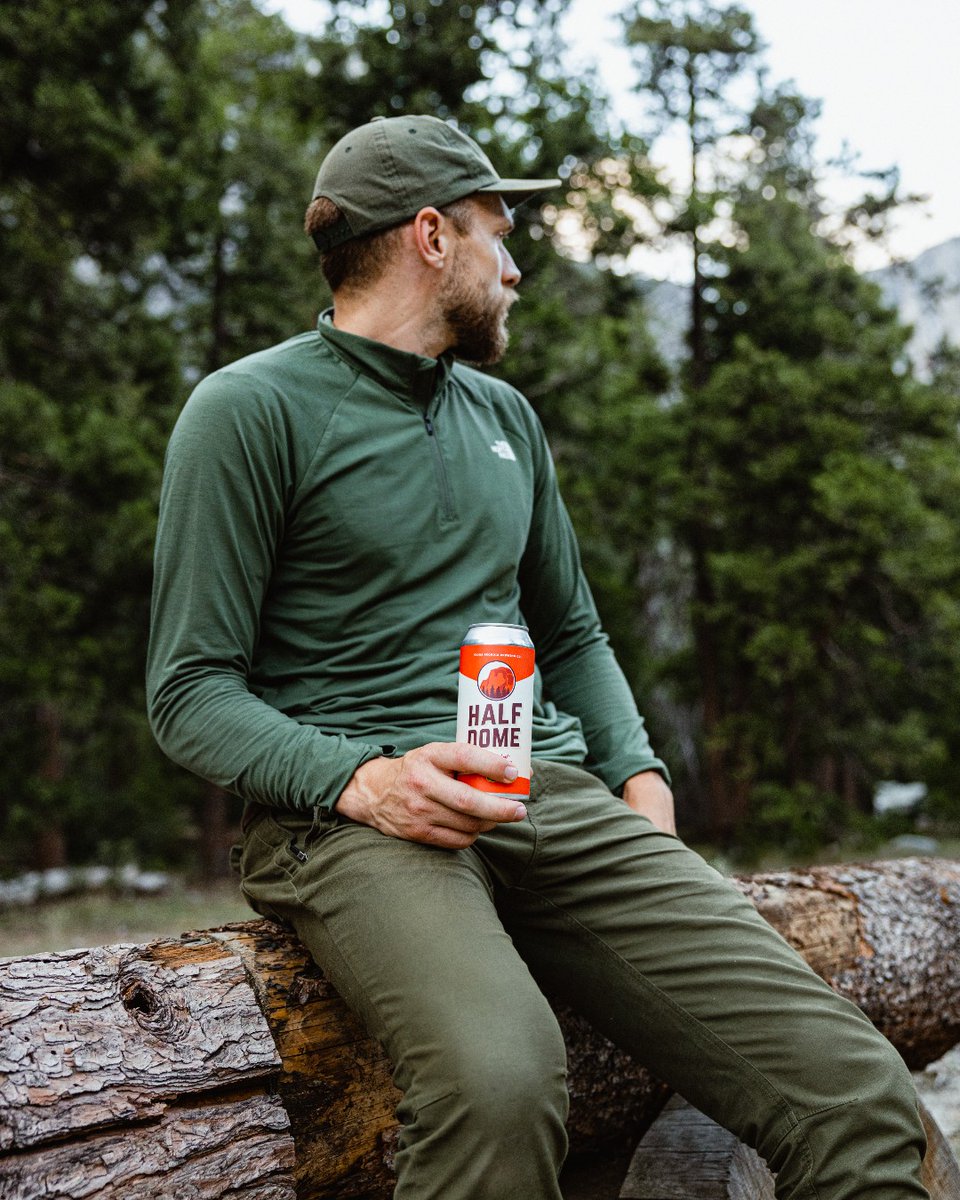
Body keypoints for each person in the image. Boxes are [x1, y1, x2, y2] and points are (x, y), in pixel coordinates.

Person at [147, 114, 928, 1200]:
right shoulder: (248, 411)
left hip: (548, 796)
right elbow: (189, 693)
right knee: (502, 1085)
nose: (515, 267)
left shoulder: (506, 416)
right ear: (429, 236)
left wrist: (638, 778)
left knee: (859, 1099)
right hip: (355, 823)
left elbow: (571, 633)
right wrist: (362, 780)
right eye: (497, 233)